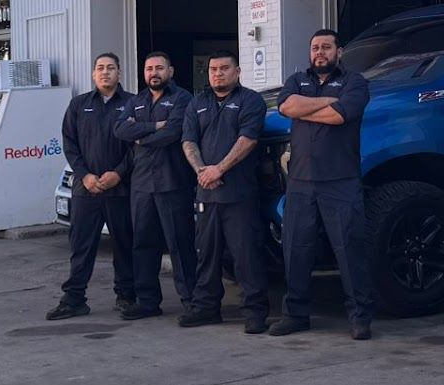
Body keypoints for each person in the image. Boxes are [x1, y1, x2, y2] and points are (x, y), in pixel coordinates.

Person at [274, 28, 376, 340]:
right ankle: (296, 315)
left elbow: (340, 116)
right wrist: (326, 103)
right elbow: (285, 107)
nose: (320, 53)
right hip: (300, 181)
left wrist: (305, 110)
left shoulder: (355, 82)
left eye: (326, 47)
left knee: (349, 250)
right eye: (315, 48)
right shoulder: (296, 80)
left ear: (339, 52)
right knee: (296, 250)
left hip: (340, 180)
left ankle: (360, 317)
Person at [180, 49, 269, 331]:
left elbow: (248, 140)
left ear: (237, 72)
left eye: (224, 68)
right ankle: (206, 308)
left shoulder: (250, 101)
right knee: (206, 255)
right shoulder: (197, 103)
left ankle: (255, 312)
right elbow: (188, 141)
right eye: (213, 69)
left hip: (239, 194)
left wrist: (219, 170)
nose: (218, 74)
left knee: (246, 256)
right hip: (206, 193)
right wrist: (202, 172)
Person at [48, 52, 135, 321]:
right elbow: (70, 143)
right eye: (100, 68)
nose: (105, 72)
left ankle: (126, 296)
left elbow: (137, 146)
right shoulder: (79, 104)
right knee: (81, 246)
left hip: (120, 189)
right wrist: (84, 175)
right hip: (86, 190)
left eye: (110, 68)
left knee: (124, 245)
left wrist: (119, 173)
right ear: (93, 73)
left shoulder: (132, 104)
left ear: (119, 72)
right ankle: (74, 299)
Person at [114, 51, 197, 320]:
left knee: (179, 243)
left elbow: (173, 133)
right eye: (149, 68)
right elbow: (119, 129)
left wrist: (140, 135)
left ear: (170, 71)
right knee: (143, 243)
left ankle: (192, 301)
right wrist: (154, 126)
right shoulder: (137, 100)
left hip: (173, 183)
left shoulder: (183, 98)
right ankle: (147, 301)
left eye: (159, 68)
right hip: (141, 184)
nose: (154, 73)